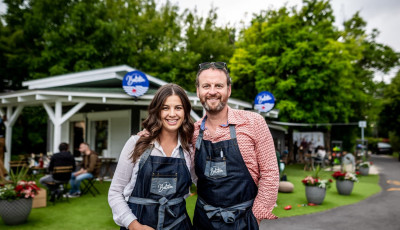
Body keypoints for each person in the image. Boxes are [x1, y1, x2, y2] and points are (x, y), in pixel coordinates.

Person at [192, 62, 279, 229]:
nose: (212, 91)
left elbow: (270, 173)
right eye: (206, 86)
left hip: (243, 221)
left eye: (218, 85)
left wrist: (256, 216)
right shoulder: (193, 131)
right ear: (198, 91)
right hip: (203, 220)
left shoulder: (254, 122)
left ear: (228, 90)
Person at [108, 84, 195, 230]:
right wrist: (135, 226)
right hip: (138, 225)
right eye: (165, 108)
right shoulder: (137, 144)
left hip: (179, 225)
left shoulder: (189, 149)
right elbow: (115, 192)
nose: (172, 114)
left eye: (178, 108)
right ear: (157, 111)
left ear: (185, 112)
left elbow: (205, 184)